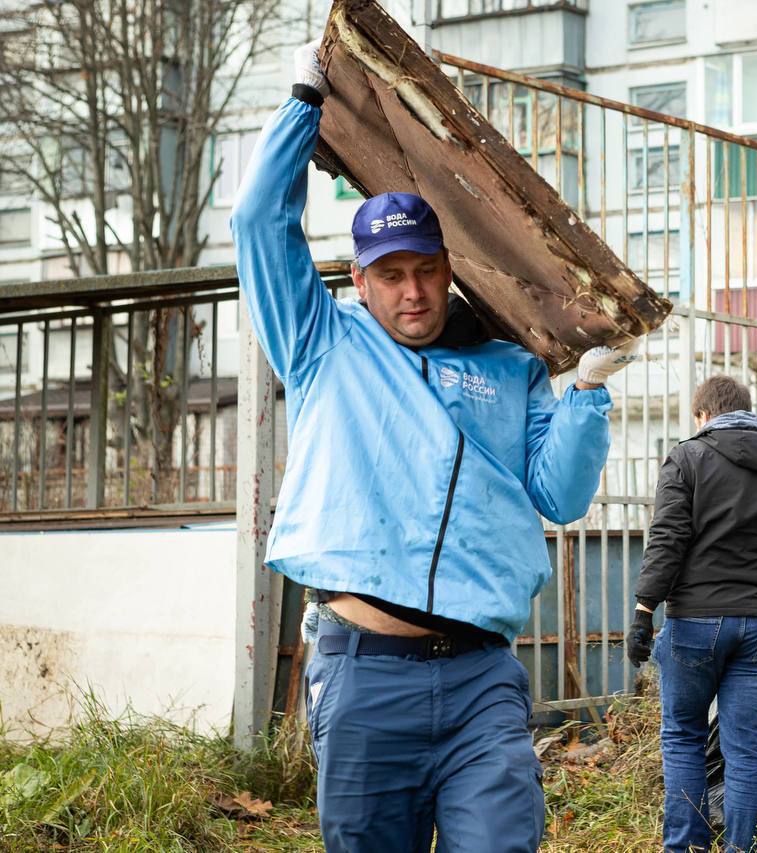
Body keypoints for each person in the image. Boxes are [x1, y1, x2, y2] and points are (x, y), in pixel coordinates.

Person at [230, 40, 639, 852]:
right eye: (391, 275)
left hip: (481, 674)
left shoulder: (508, 364)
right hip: (362, 672)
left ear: (451, 268)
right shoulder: (321, 343)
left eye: (426, 270)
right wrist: (303, 104)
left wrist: (587, 392)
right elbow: (255, 219)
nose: (412, 291)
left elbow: (559, 495)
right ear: (360, 278)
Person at [625, 375, 757, 853]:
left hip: (695, 622)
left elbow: (667, 540)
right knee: (746, 748)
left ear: (704, 416)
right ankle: (744, 849)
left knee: (684, 736)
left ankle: (686, 846)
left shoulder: (687, 457)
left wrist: (644, 610)